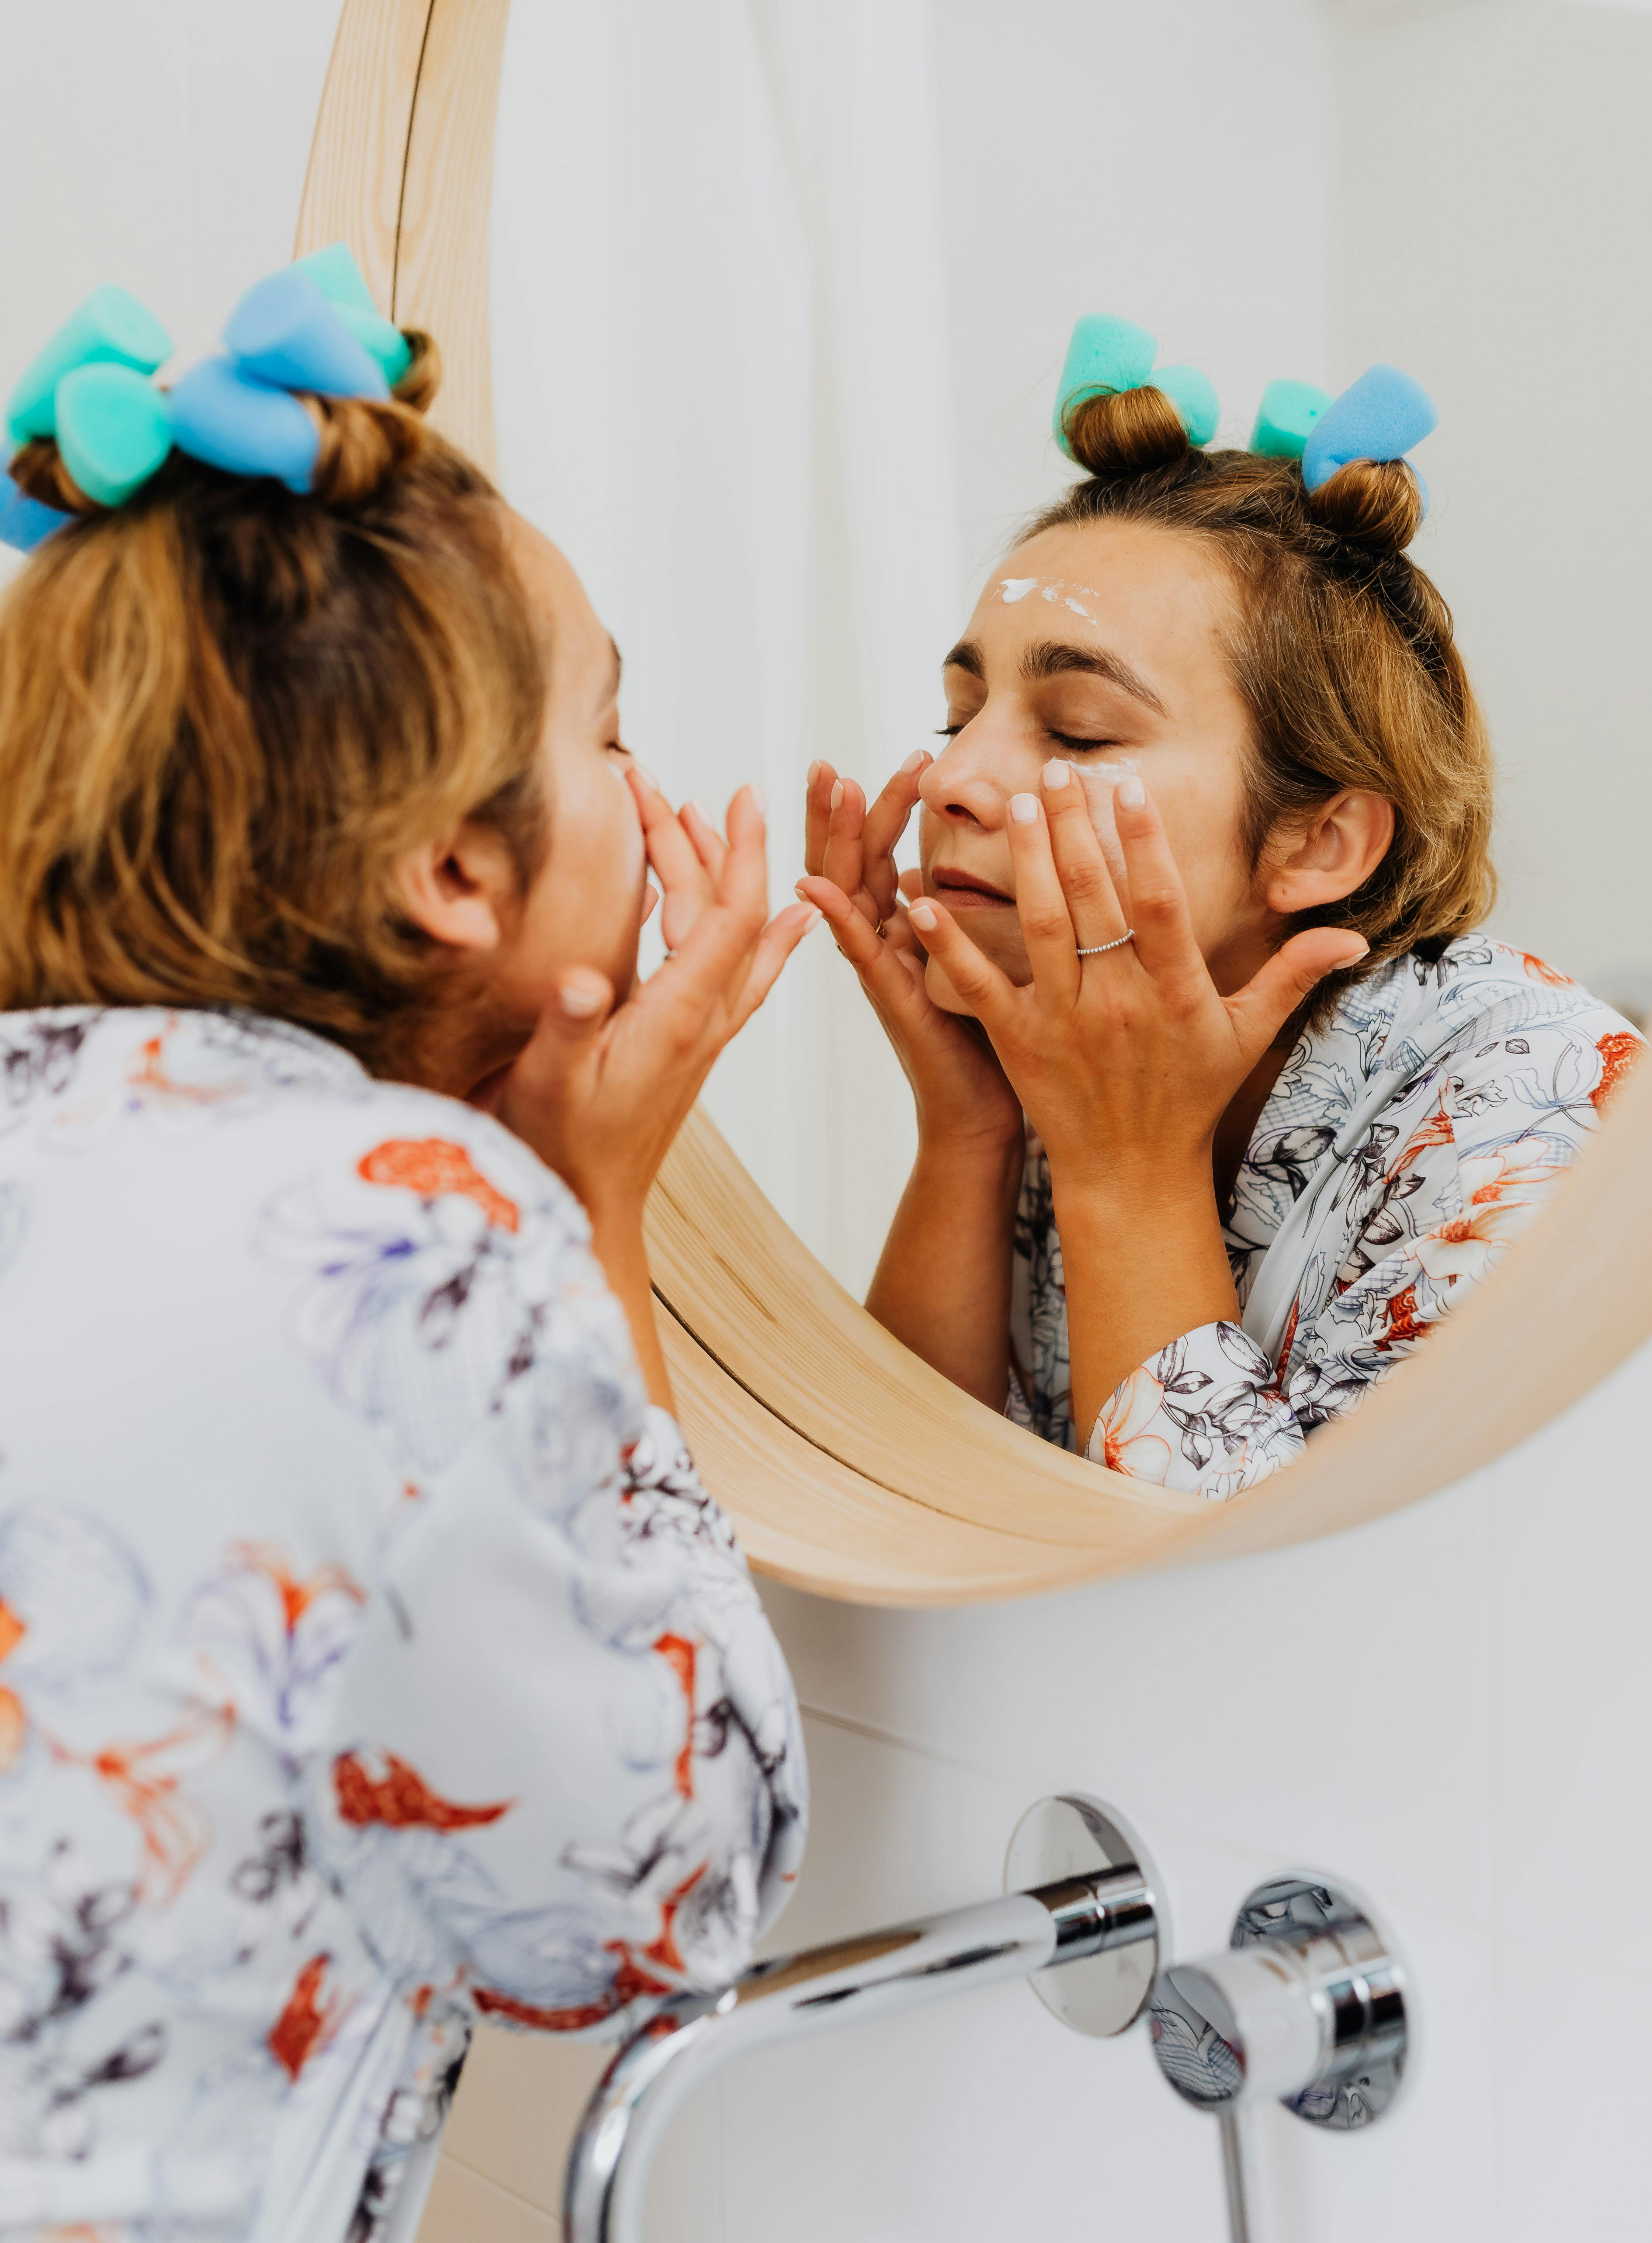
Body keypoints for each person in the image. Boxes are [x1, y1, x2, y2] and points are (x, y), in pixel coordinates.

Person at [0, 263, 816, 2241]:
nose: (650, 798)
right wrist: (583, 1211)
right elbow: (661, 1898)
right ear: (454, 867)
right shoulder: (405, 1237)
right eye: (609, 736)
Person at [799, 324, 1642, 1498]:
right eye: (960, 714)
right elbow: (909, 1515)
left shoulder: (1536, 1110)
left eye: (1076, 729)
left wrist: (1129, 1179)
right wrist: (969, 1128)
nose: (952, 779)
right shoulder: (1084, 1035)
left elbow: (1283, 1642)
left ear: (1317, 841)